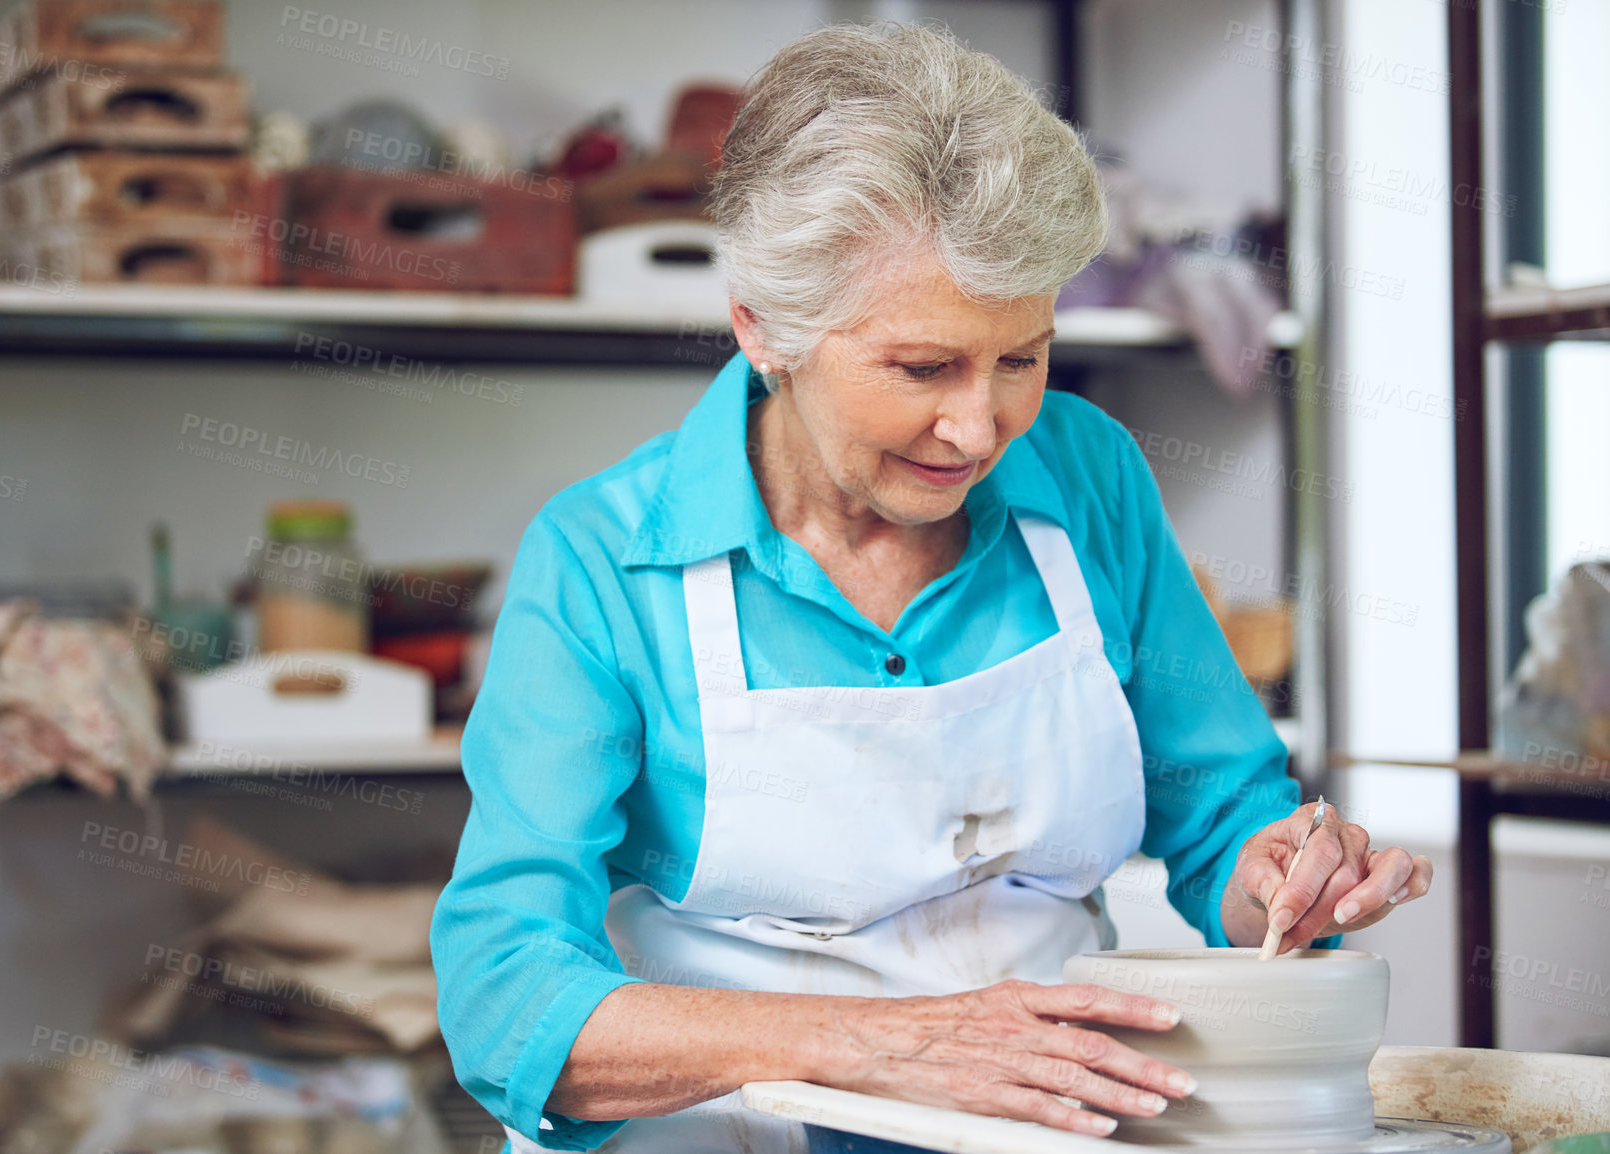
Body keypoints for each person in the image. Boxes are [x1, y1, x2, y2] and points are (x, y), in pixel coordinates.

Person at [431, 22, 1432, 1154]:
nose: (978, 427)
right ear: (764, 327)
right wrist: (878, 1042)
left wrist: (1283, 877)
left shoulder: (1088, 473)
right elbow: (504, 997)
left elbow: (1218, 809)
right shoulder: (605, 562)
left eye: (1022, 357)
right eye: (921, 367)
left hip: (1044, 1128)